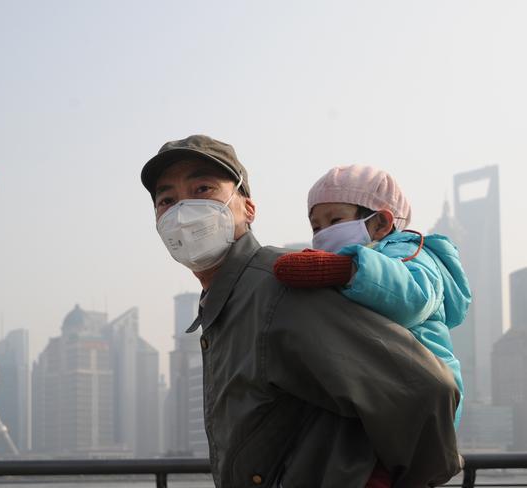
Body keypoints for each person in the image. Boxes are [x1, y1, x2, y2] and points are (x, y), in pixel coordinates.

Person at [141, 135, 462, 488]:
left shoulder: (281, 285)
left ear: (247, 208)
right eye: (167, 200)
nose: (182, 211)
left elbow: (428, 389)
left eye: (202, 189)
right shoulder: (225, 303)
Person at [273, 165, 471, 429]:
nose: (322, 235)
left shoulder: (411, 253)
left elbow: (414, 299)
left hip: (419, 398)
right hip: (380, 395)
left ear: (381, 224)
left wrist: (350, 269)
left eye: (334, 221)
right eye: (316, 227)